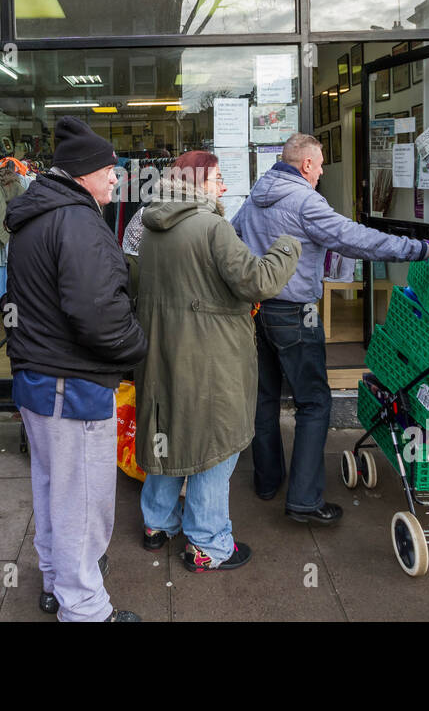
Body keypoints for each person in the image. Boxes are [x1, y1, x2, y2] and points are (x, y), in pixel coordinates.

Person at [232, 133, 429, 524]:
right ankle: (304, 501)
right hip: (295, 314)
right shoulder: (304, 200)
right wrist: (422, 248)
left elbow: (232, 240)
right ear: (308, 165)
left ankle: (267, 481)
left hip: (256, 311)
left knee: (264, 398)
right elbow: (356, 240)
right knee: (314, 404)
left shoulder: (254, 197)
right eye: (320, 167)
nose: (320, 175)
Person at [4, 117, 148, 622]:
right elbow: (97, 314)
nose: (116, 178)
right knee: (82, 502)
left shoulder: (39, 214)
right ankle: (84, 608)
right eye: (110, 169)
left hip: (40, 379)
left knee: (52, 491)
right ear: (85, 172)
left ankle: (57, 583)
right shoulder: (78, 221)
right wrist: (136, 346)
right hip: (73, 383)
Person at [134, 151, 300, 571]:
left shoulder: (146, 225)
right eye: (217, 179)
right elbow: (258, 282)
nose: (223, 187)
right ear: (197, 181)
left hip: (160, 353)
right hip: (209, 357)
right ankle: (207, 544)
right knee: (216, 444)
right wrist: (287, 244)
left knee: (168, 429)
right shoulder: (211, 226)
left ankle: (157, 524)